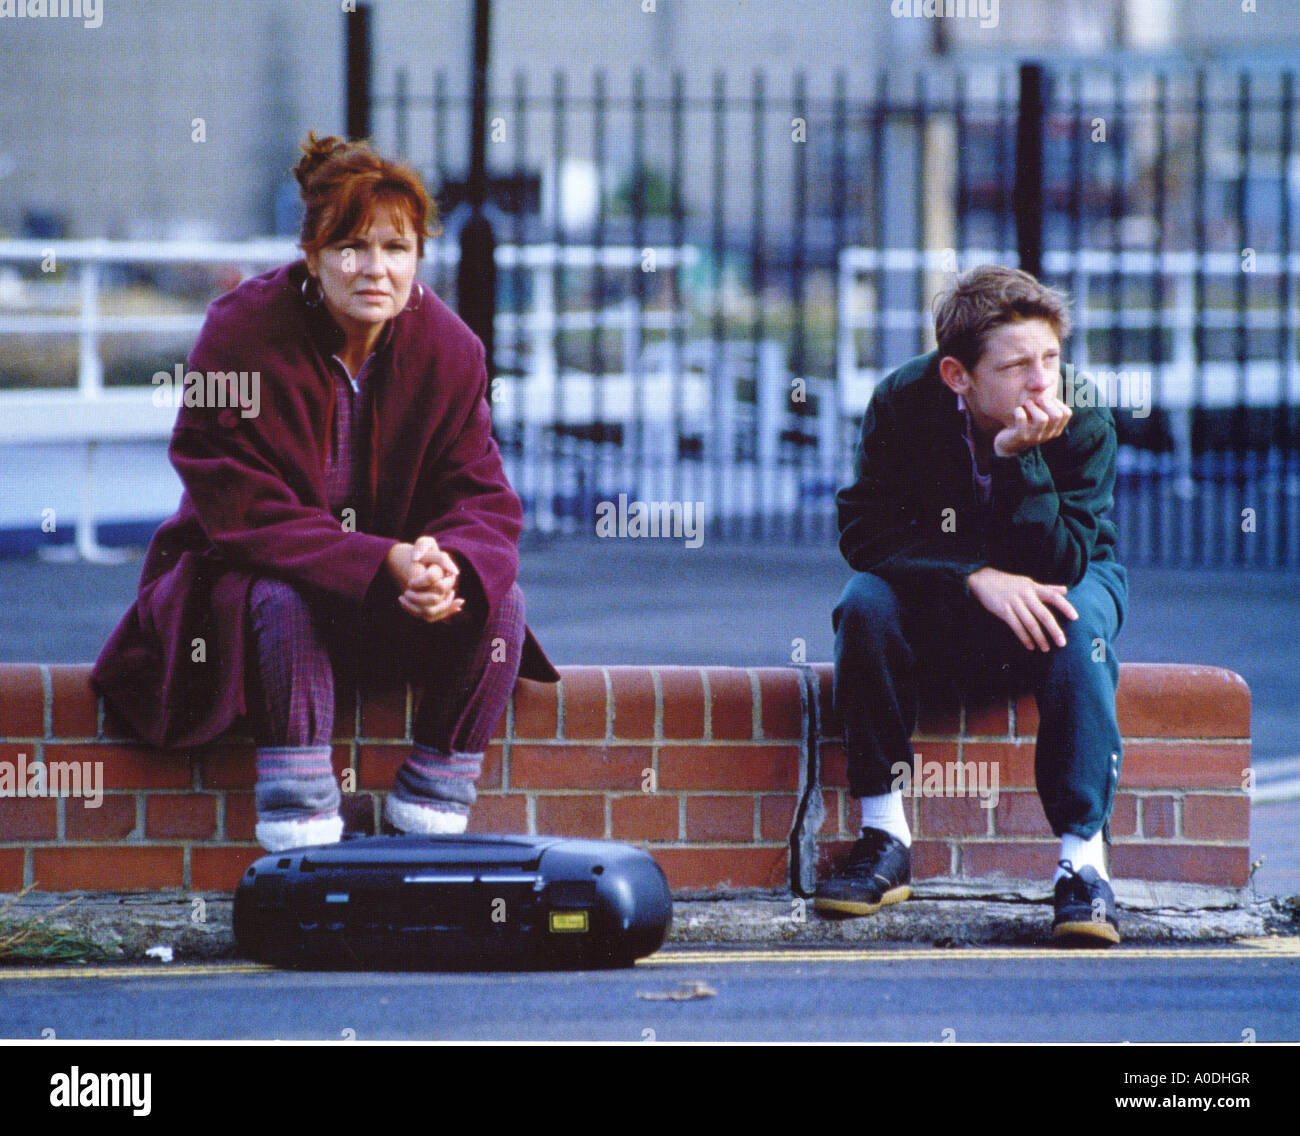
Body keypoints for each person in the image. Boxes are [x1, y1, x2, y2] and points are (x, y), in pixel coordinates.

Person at [93, 132, 558, 852]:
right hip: (244, 603)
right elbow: (236, 499)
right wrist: (381, 561)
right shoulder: (239, 333)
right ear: (311, 255)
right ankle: (299, 831)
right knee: (285, 596)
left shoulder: (451, 349)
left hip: (385, 609)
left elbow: (484, 498)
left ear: (417, 260)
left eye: (396, 249)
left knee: (503, 602)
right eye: (351, 247)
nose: (375, 269)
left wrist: (444, 568)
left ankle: (431, 812)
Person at [817, 265, 1128, 946]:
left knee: (1073, 626)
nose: (1043, 381)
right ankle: (884, 835)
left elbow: (1065, 562)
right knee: (864, 604)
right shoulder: (903, 402)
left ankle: (1083, 865)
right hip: (947, 585)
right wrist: (973, 574)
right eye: (1017, 366)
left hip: (1066, 571)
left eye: (1050, 357)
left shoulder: (1081, 415)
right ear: (958, 375)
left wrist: (1023, 460)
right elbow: (865, 532)